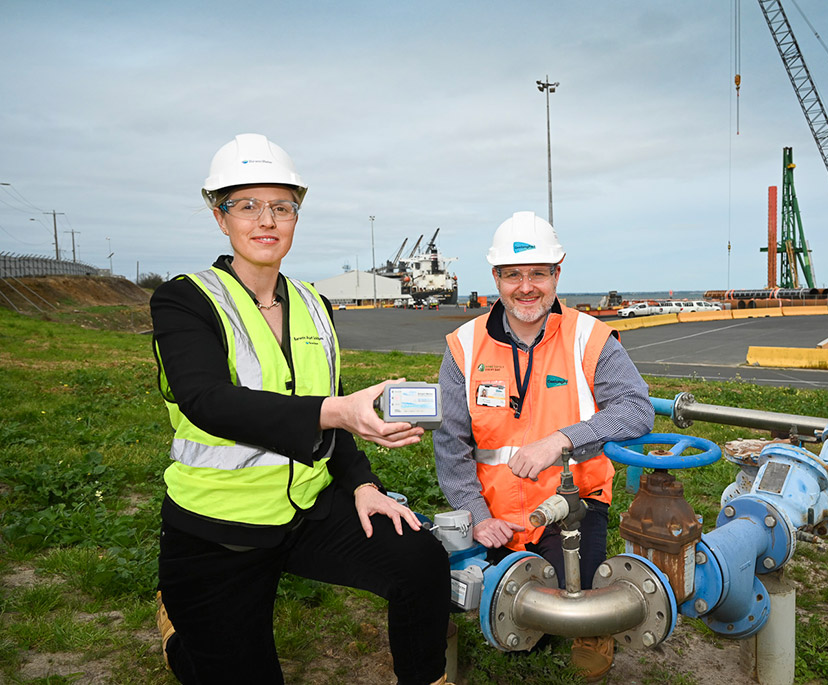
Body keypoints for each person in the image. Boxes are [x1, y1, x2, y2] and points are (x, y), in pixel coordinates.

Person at [150, 133, 453, 685]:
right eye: (246, 205)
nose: (266, 219)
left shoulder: (315, 304)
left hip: (308, 510)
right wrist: (337, 412)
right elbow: (207, 402)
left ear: (296, 216)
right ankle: (179, 630)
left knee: (420, 562)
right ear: (220, 218)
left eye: (281, 206)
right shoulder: (186, 300)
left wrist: (362, 484)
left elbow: (330, 407)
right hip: (220, 527)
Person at [433, 211, 655, 681]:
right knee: (500, 606)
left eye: (538, 273)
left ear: (558, 272)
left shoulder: (589, 337)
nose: (526, 287)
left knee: (577, 608)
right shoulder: (464, 345)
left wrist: (560, 441)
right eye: (513, 275)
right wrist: (475, 513)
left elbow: (636, 409)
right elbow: (450, 442)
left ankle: (595, 627)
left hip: (572, 507)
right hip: (493, 511)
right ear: (496, 277)